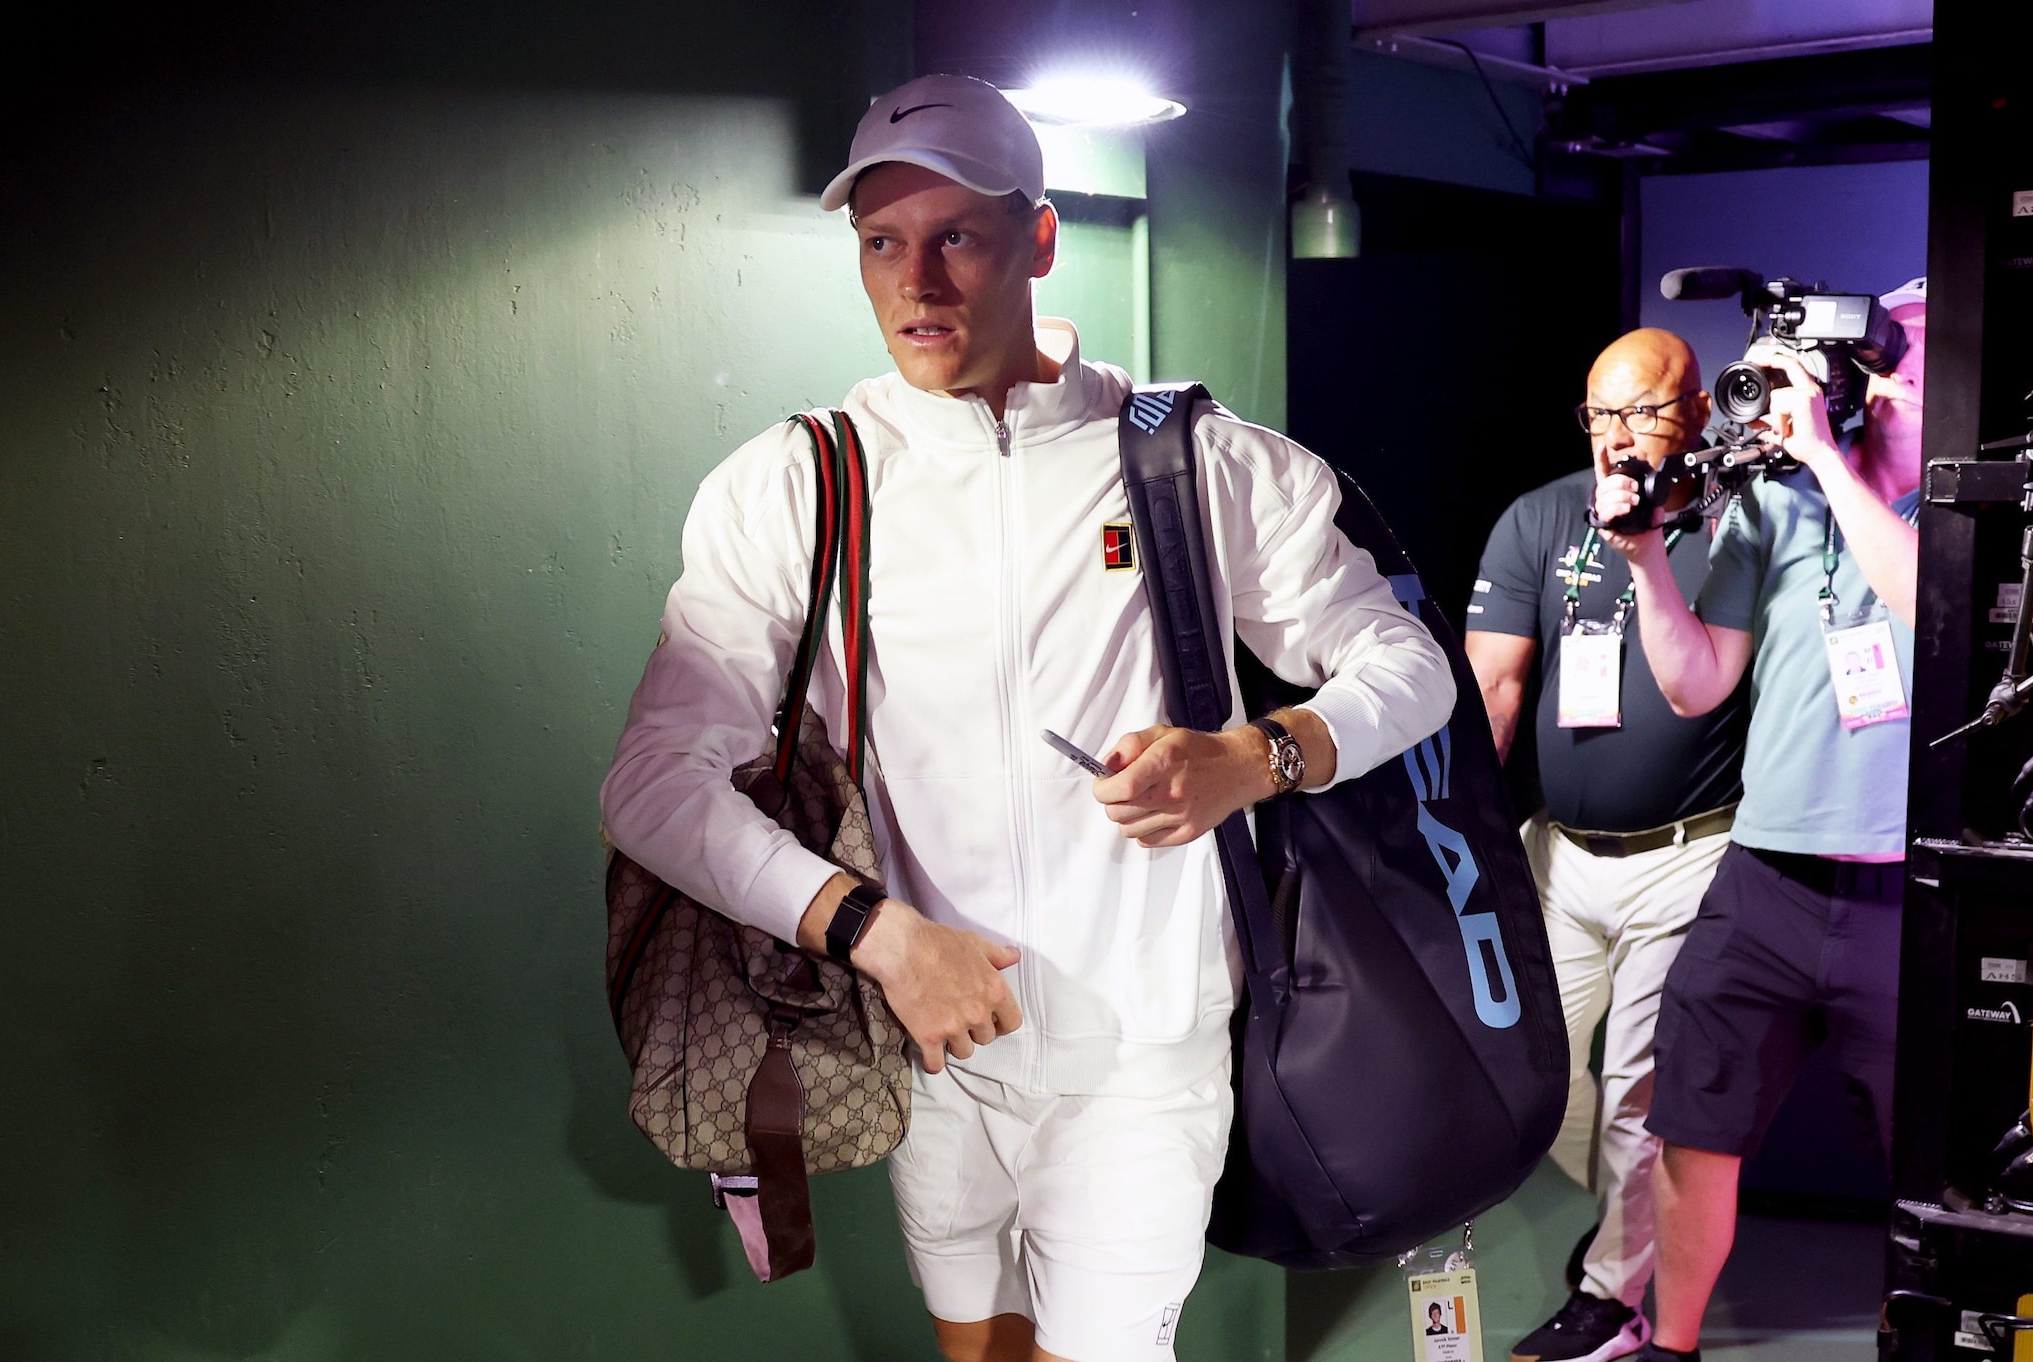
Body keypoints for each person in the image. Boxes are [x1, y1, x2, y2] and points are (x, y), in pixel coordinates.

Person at [599, 74, 1456, 1362]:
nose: (916, 283)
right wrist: (877, 937)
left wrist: (1258, 755)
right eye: (882, 243)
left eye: (957, 237)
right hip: (928, 1038)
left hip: (1139, 1054)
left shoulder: (1192, 459)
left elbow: (1408, 667)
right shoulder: (802, 480)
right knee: (978, 1352)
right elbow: (652, 787)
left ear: (1039, 241)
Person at [1591, 281, 1927, 1362]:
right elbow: (1695, 683)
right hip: (1766, 878)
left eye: (1897, 363)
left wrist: (1826, 457)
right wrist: (1644, 558)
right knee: (1693, 1130)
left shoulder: (1971, 504)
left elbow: (1929, 602)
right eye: (1867, 363)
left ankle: (1918, 1334)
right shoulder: (1770, 507)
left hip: (1906, 890)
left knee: (1929, 1158)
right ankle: (1669, 1345)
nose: (1876, 382)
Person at [1465, 329, 1747, 1362]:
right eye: (1600, 413)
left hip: (1688, 856)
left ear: (1699, 413)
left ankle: (1608, 1296)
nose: (1617, 436)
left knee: (1638, 1086)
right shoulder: (1539, 519)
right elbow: (1491, 689)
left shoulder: (1737, 525)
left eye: (1644, 412)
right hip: (1557, 857)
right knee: (1534, 1073)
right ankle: (1630, 1235)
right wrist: (1458, 839)